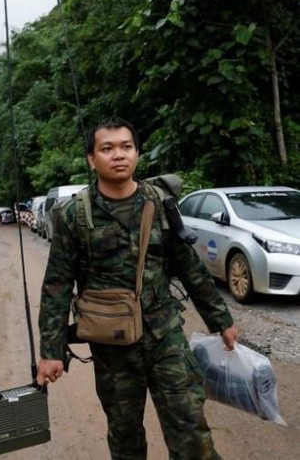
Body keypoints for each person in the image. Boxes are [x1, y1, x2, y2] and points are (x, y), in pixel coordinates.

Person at [36, 117, 238, 459]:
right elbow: (57, 284)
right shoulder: (73, 215)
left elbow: (189, 266)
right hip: (112, 346)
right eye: (107, 148)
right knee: (125, 436)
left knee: (191, 430)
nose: (118, 155)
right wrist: (51, 351)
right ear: (91, 158)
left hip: (165, 337)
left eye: (126, 147)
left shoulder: (160, 204)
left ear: (137, 154)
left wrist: (221, 320)